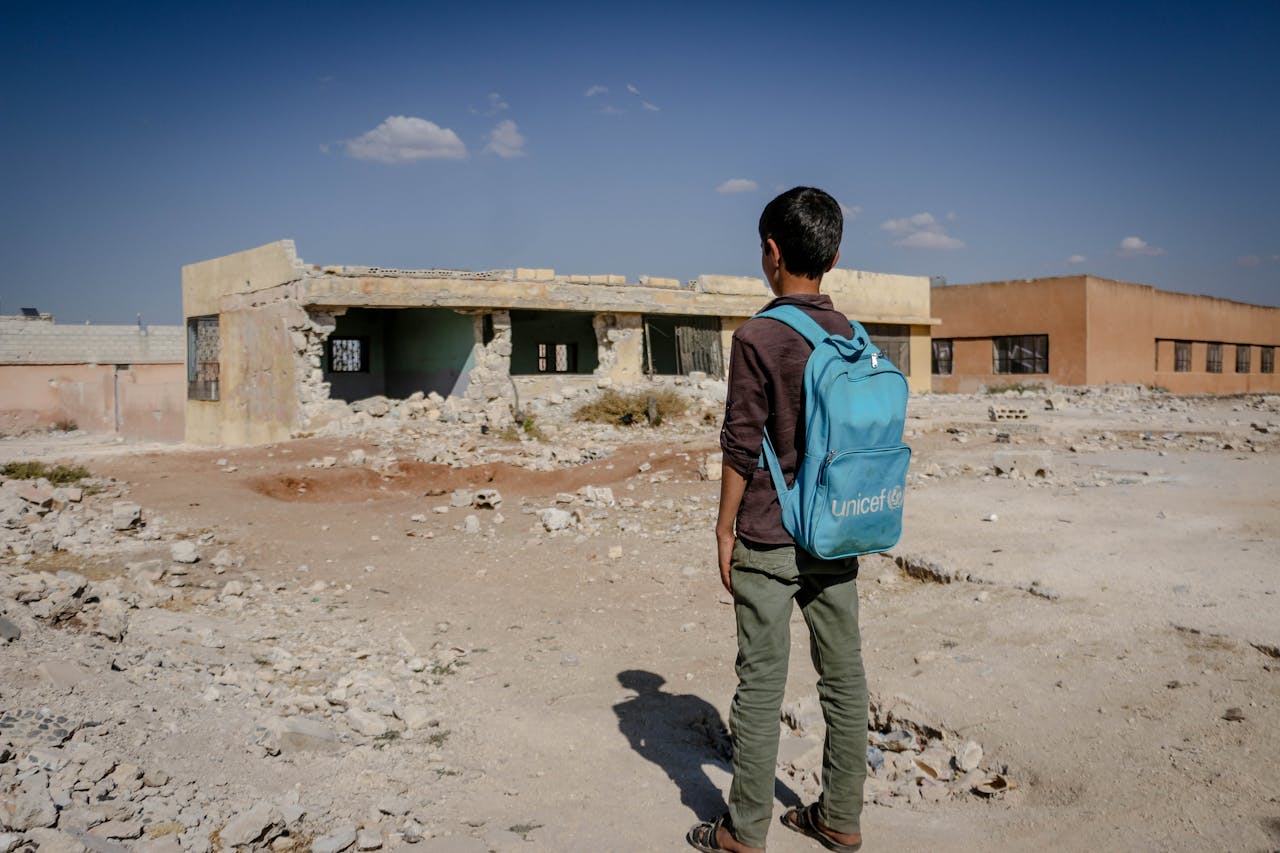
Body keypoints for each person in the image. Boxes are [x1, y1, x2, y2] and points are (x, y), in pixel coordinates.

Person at [686, 187, 866, 853]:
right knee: (843, 676)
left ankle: (744, 830)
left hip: (767, 531)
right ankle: (841, 815)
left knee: (760, 686)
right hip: (837, 529)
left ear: (771, 251)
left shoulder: (756, 336)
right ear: (835, 257)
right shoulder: (850, 335)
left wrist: (723, 526)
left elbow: (741, 441)